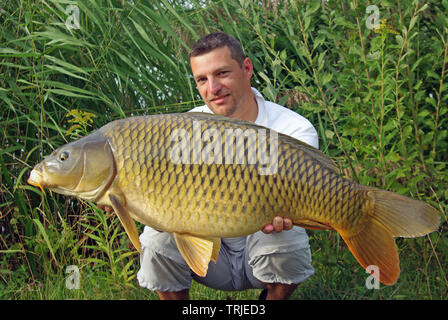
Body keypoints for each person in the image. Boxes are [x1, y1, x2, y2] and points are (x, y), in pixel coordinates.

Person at [135, 32, 319, 300]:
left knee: (286, 236)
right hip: (209, 255)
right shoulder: (184, 128)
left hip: (264, 243)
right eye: (202, 79)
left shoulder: (293, 129)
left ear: (246, 68)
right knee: (156, 236)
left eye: (221, 73)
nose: (213, 88)